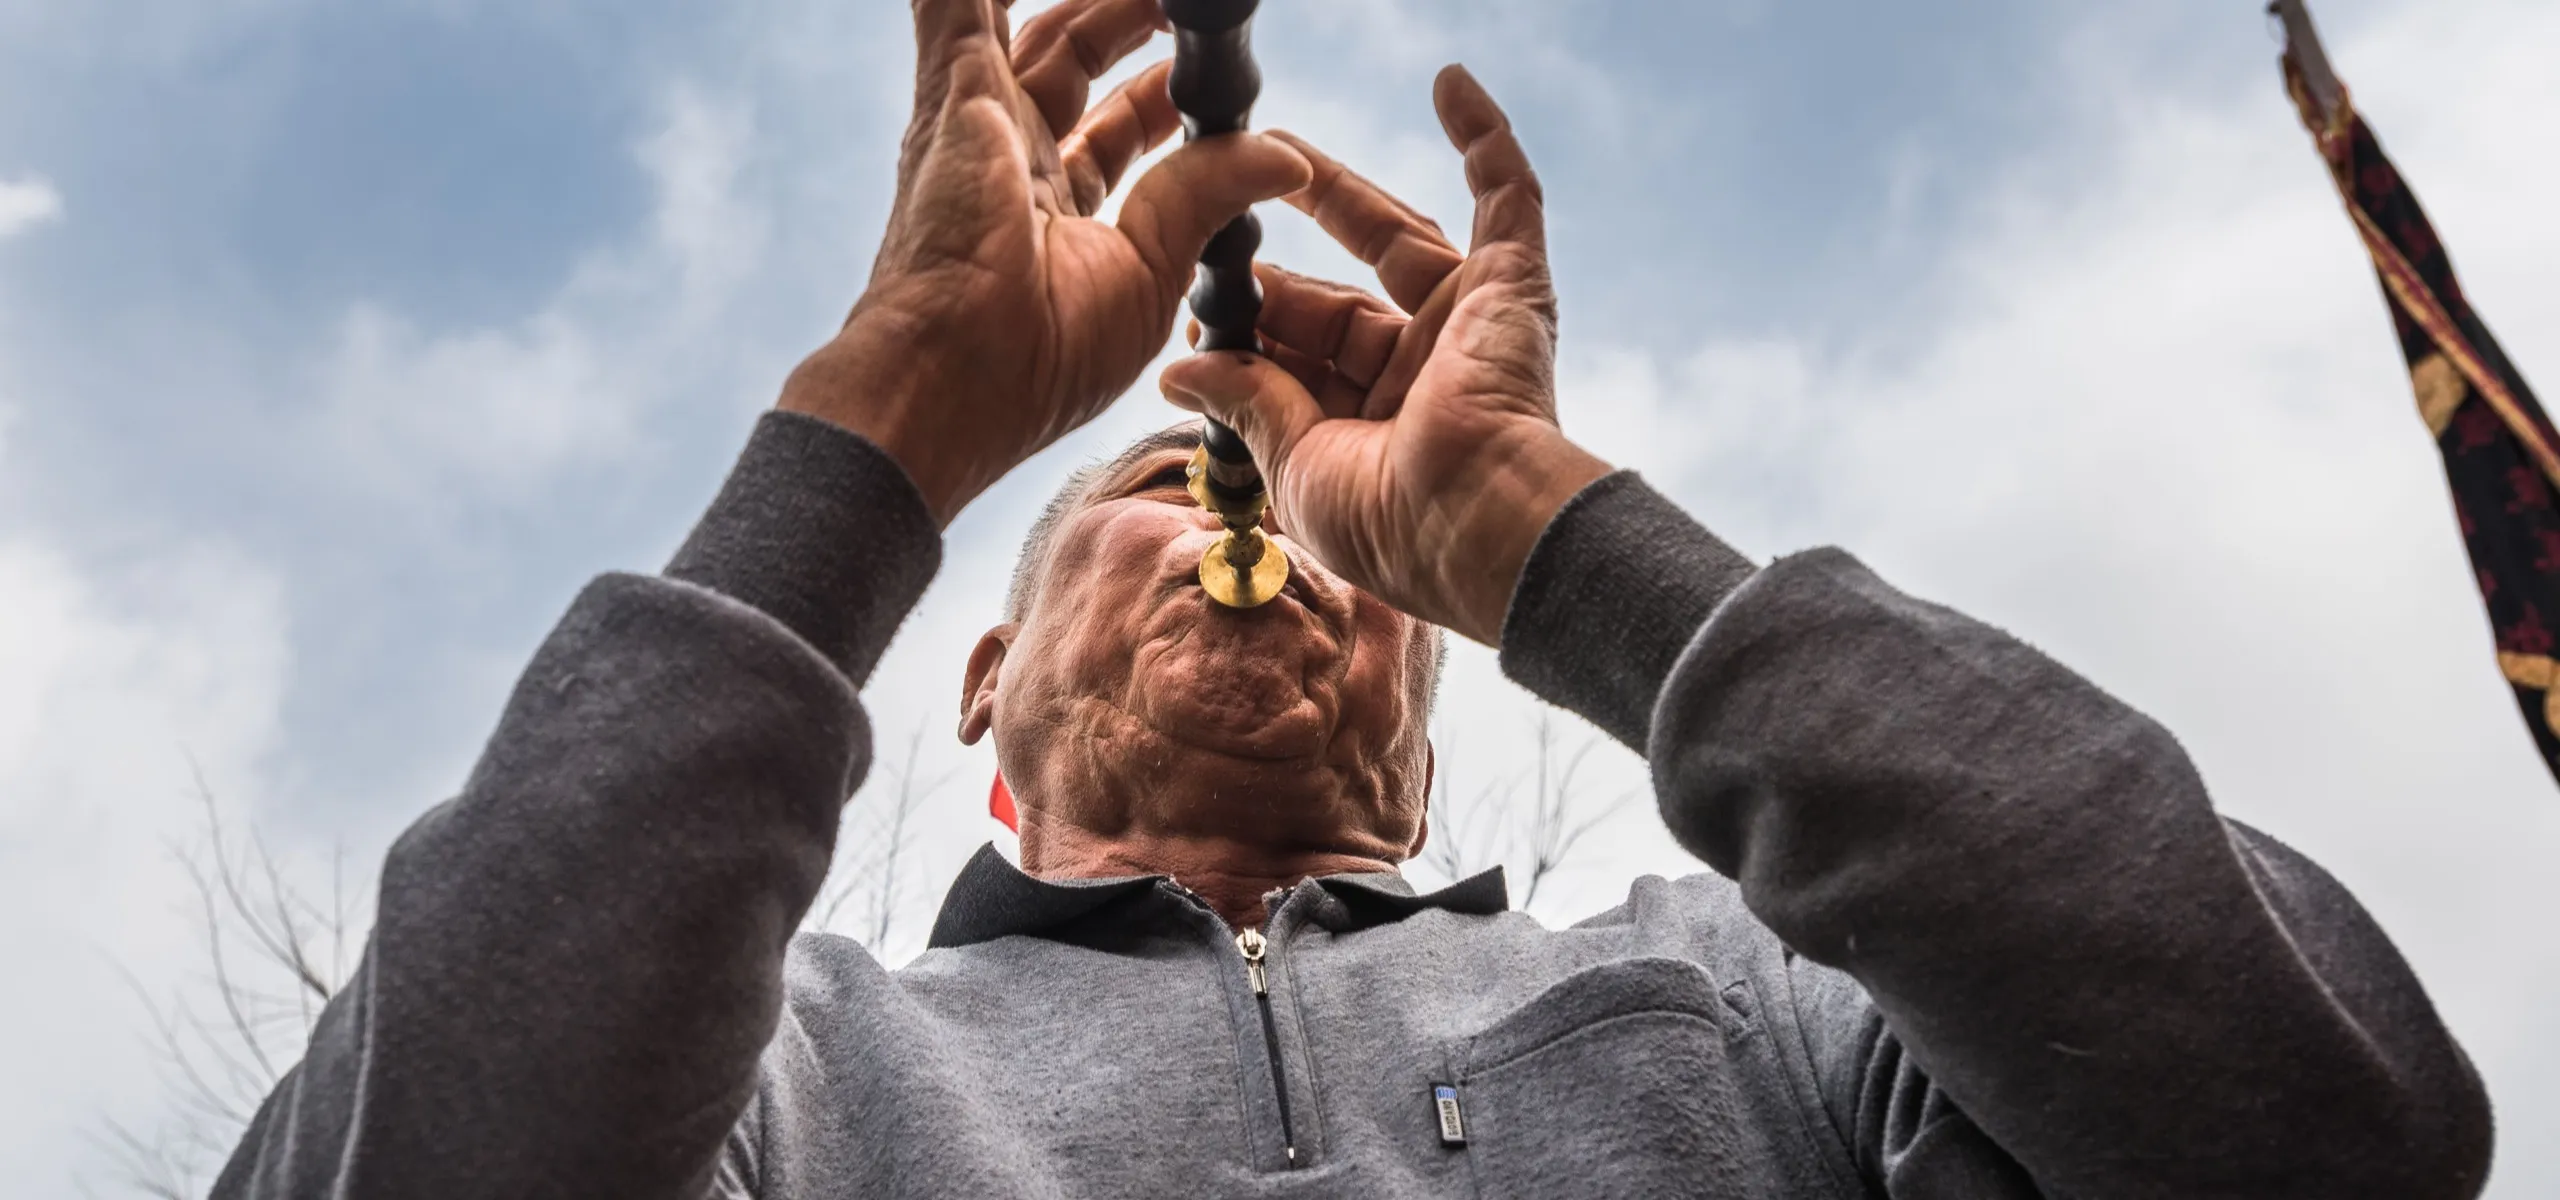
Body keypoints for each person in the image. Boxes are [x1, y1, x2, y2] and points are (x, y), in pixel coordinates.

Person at [213, 0, 2494, 1196]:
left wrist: (1554, 533)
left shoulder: (1739, 998)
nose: (1251, 532)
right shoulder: (778, 1078)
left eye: (1340, 554)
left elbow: (2330, 1123)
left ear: (1426, 704)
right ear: (985, 677)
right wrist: (882, 436)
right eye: (1147, 489)